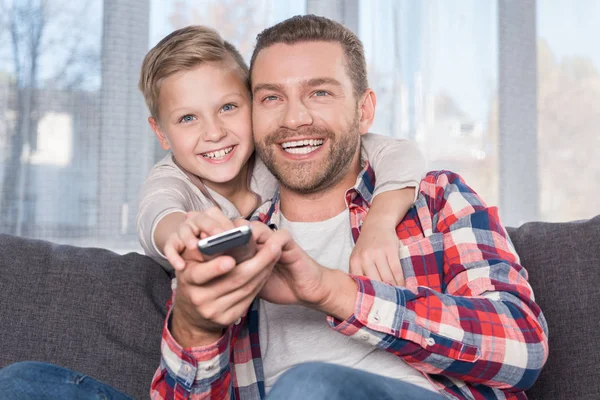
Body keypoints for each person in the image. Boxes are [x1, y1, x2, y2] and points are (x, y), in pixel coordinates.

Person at [153, 14, 549, 400]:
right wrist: (195, 327)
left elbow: (524, 348)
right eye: (272, 97)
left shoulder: (435, 199)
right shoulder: (231, 241)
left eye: (320, 92)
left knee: (308, 386)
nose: (294, 118)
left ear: (364, 111)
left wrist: (332, 291)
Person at [135, 25, 427, 283]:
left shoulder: (274, 152)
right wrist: (188, 235)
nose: (214, 133)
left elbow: (400, 153)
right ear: (160, 133)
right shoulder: (170, 180)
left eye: (228, 108)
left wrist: (378, 224)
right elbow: (158, 216)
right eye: (187, 118)